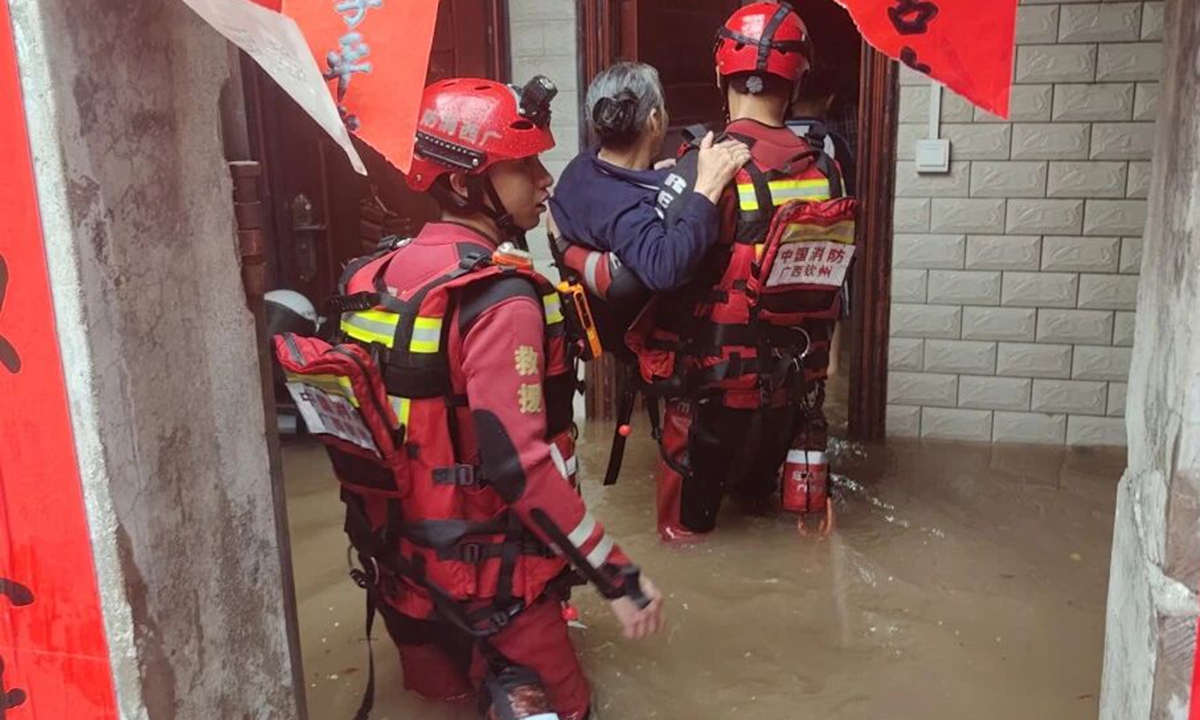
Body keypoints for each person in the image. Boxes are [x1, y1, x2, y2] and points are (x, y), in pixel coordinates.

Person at [284, 76, 663, 720]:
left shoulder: (368, 277)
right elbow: (521, 465)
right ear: (464, 183)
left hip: (401, 579)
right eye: (525, 165)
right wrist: (617, 575)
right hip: (498, 592)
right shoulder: (500, 296)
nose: (545, 180)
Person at [629, 2, 851, 542]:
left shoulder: (707, 162)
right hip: (792, 397)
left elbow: (656, 270)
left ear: (720, 72)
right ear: (796, 80)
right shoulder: (827, 169)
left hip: (711, 399)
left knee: (685, 541)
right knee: (765, 523)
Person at [547, 62, 749, 354]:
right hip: (643, 344)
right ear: (654, 120)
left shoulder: (581, 169)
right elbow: (663, 269)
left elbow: (617, 194)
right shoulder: (622, 207)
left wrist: (655, 176)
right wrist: (707, 188)